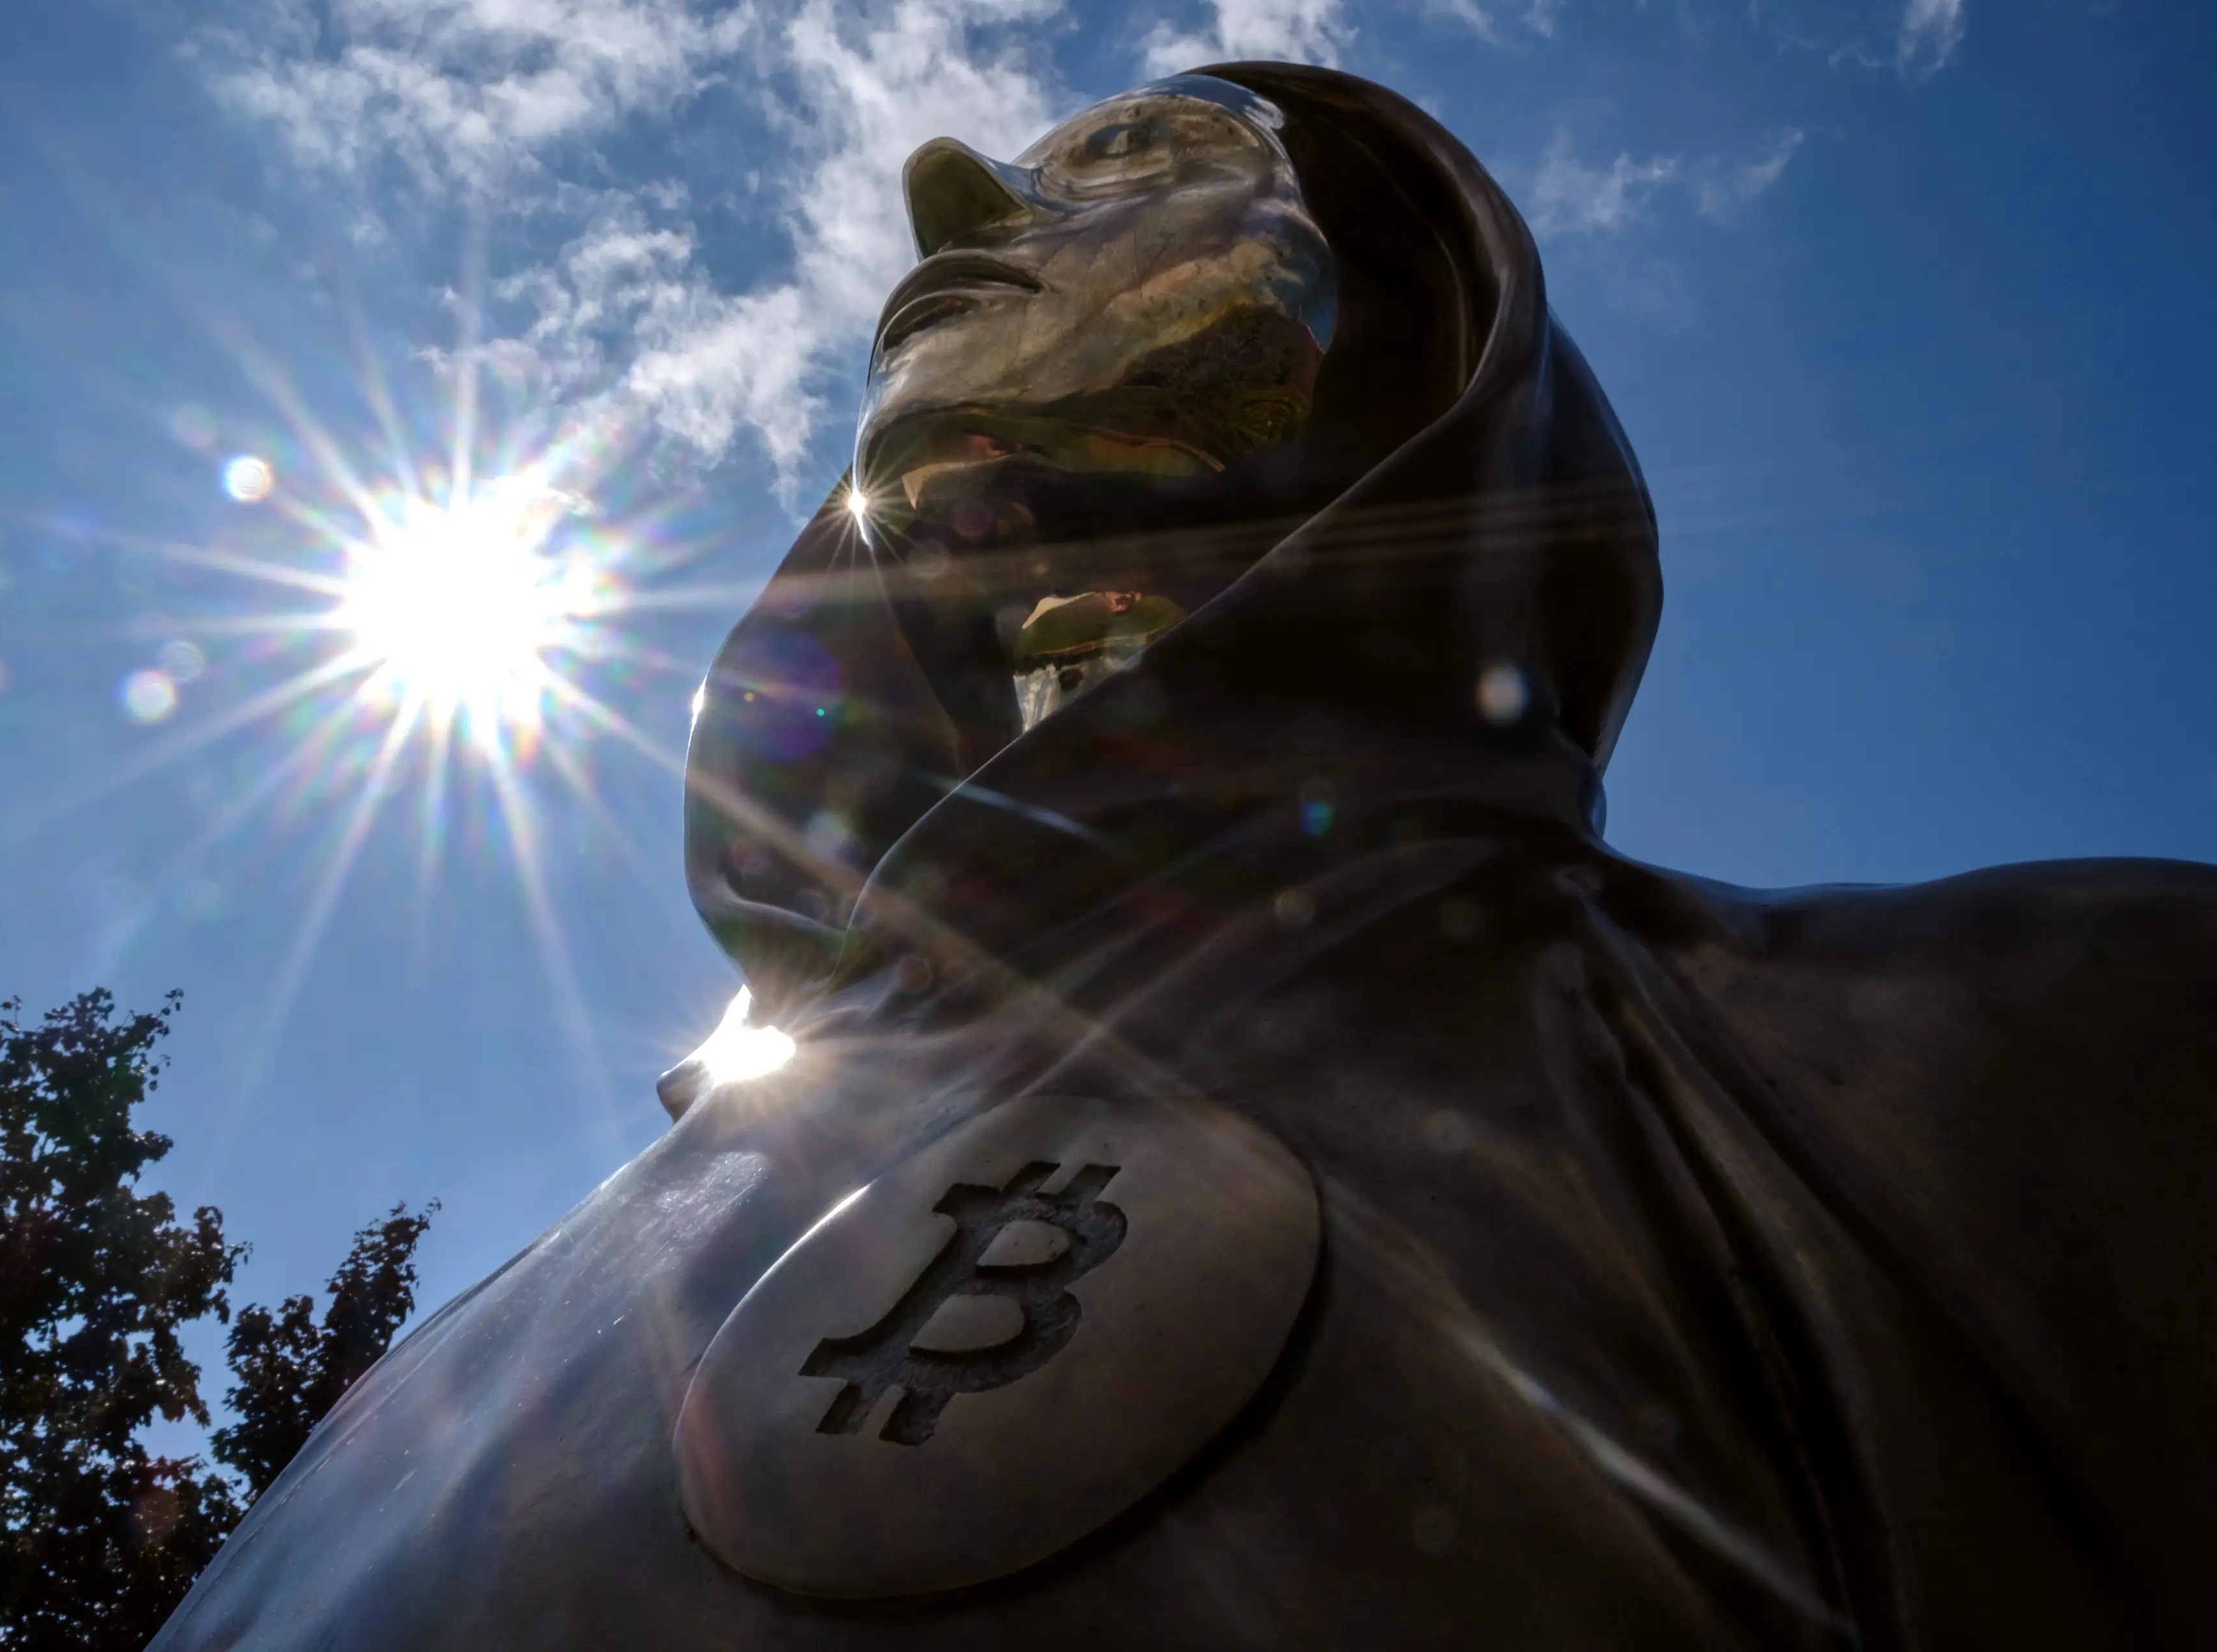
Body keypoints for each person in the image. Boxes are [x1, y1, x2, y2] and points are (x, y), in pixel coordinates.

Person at [152, 65, 2217, 1650]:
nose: (953, 191)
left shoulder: (2028, 1061)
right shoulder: (404, 1416)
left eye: (1133, 164)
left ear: (1423, 324)